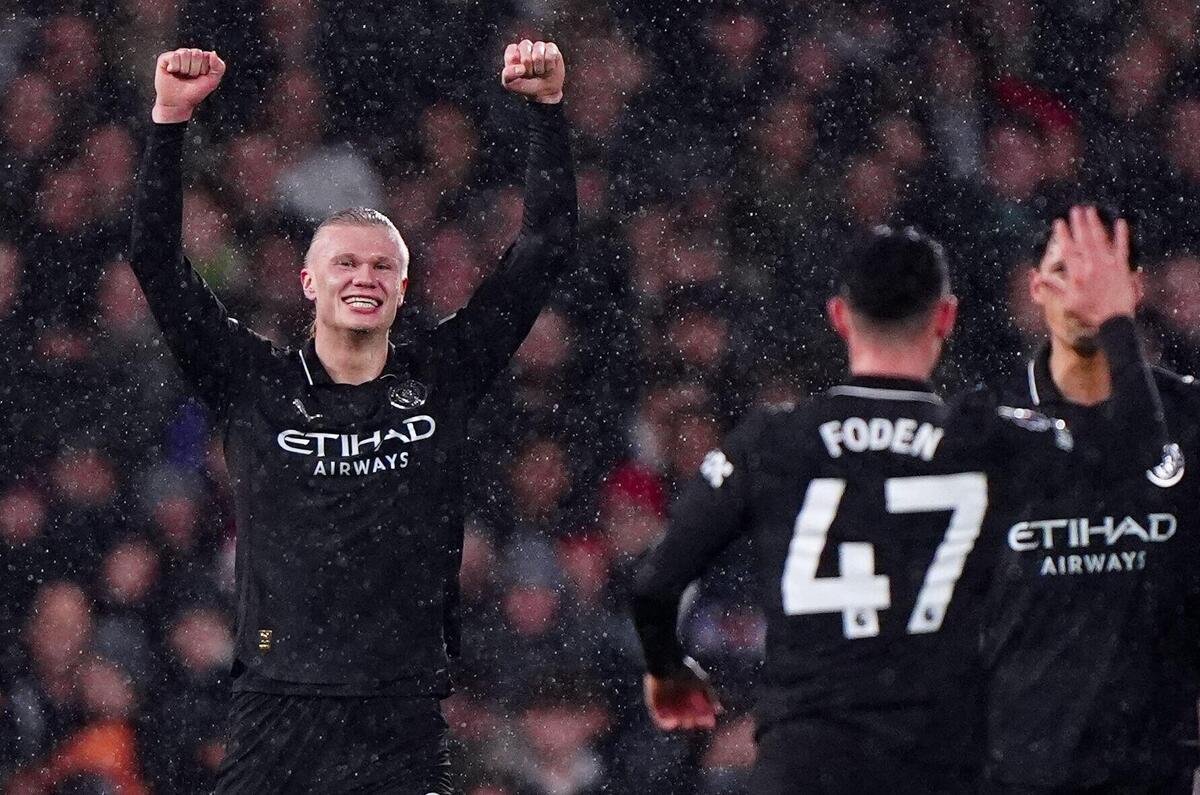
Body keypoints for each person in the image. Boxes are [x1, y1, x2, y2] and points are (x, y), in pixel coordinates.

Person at [129, 44, 575, 793]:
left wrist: (548, 111)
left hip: (400, 717)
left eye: (381, 266)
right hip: (276, 709)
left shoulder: (442, 377)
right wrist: (170, 120)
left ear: (403, 287)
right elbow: (155, 260)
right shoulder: (253, 383)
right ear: (308, 281)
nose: (364, 276)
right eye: (345, 263)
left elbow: (545, 249)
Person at [629, 214, 1164, 793]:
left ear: (839, 317)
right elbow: (1136, 458)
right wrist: (1114, 320)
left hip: (804, 768)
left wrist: (667, 667)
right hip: (934, 769)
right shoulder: (984, 441)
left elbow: (655, 585)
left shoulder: (773, 442)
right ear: (946, 318)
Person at [982, 206, 1200, 793]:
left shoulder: (1190, 419)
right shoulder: (986, 426)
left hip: (1156, 769)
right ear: (1035, 289)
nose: (1082, 292)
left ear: (1134, 290)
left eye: (1098, 275)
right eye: (1063, 271)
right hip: (1018, 769)